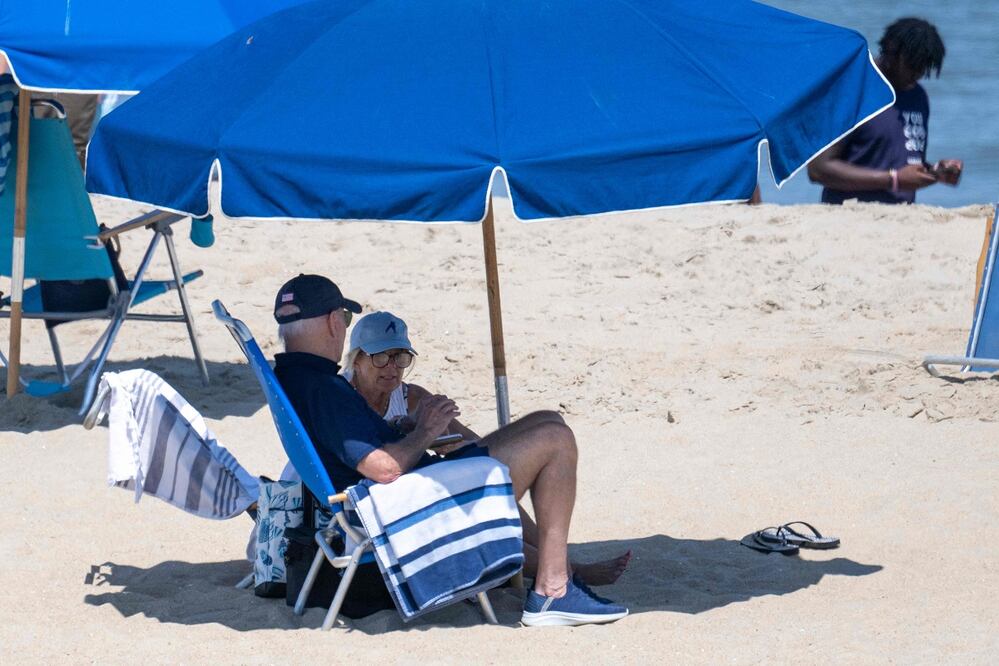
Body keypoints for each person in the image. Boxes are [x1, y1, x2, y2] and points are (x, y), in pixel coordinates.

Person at [272, 274, 628, 627]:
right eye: (346, 319)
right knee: (555, 439)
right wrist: (425, 431)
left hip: (394, 496)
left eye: (401, 358)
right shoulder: (323, 388)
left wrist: (403, 431)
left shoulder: (302, 379)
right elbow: (383, 468)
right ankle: (553, 588)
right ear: (335, 322)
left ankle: (559, 572)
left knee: (547, 419)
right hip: (400, 510)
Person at [341, 309, 631, 587]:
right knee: (492, 486)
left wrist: (447, 438)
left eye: (400, 357)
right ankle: (566, 570)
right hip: (385, 504)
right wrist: (418, 434)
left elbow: (474, 445)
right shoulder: (342, 399)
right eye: (380, 358)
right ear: (356, 360)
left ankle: (561, 563)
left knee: (547, 421)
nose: (392, 368)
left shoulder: (411, 396)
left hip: (419, 486)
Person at [807, 18, 962, 204]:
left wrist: (936, 172)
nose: (917, 75)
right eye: (912, 65)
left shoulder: (918, 96)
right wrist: (893, 179)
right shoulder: (853, 90)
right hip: (850, 216)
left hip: (901, 217)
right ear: (891, 50)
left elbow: (894, 162)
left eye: (924, 68)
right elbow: (818, 169)